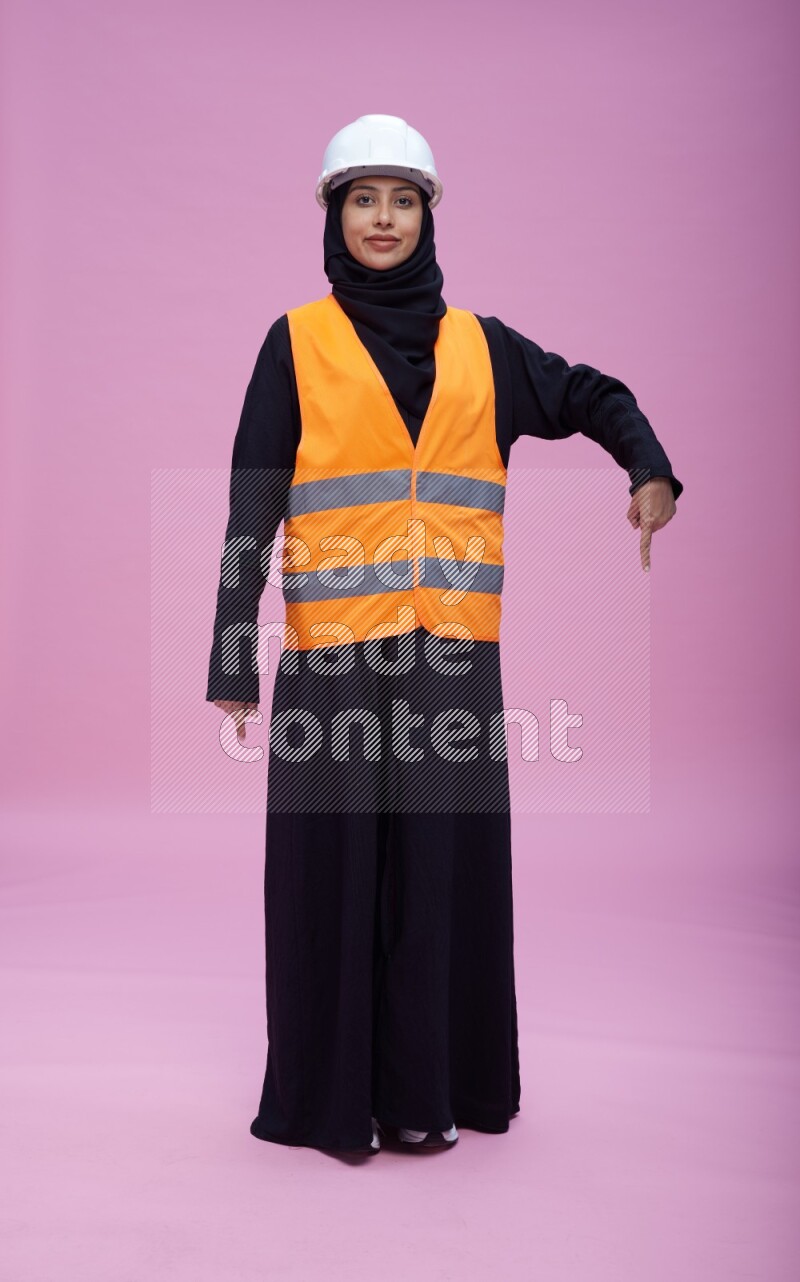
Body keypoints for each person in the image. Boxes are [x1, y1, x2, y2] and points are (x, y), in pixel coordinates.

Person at [206, 114, 682, 1156]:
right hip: (334, 659)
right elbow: (251, 510)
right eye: (362, 198)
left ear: (427, 215)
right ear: (334, 213)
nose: (383, 218)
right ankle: (330, 1101)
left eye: (402, 198)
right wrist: (230, 651)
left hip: (450, 661)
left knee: (436, 870)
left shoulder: (486, 345)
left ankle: (427, 1094)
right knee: (330, 874)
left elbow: (590, 394)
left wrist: (646, 466)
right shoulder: (294, 342)